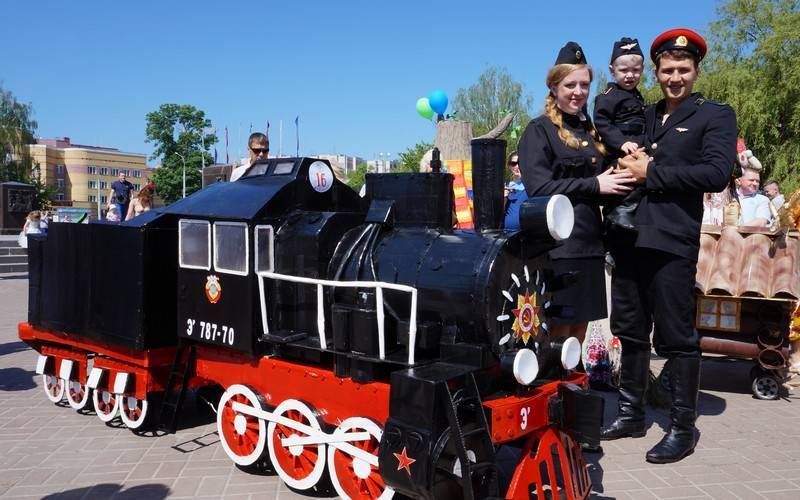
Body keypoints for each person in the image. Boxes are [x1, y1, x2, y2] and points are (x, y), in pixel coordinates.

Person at [602, 29, 737, 464]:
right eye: (667, 71)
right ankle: (631, 413)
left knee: (678, 337)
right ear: (656, 73)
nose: (675, 77)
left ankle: (683, 427)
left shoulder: (713, 115)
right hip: (629, 239)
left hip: (672, 240)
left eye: (683, 70)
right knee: (629, 329)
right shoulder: (645, 113)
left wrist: (652, 172)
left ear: (696, 71)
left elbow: (715, 173)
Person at [517, 41, 636, 343]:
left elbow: (601, 185)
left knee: (579, 332)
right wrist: (595, 184)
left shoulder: (590, 131)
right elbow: (539, 188)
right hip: (558, 248)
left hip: (590, 244)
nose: (578, 92)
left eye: (584, 85)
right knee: (557, 333)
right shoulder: (539, 130)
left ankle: (572, 386)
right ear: (554, 87)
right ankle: (551, 386)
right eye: (570, 84)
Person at [593, 37, 647, 231]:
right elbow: (602, 122)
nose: (630, 75)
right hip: (620, 151)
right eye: (623, 70)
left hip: (637, 147)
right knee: (624, 182)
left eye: (636, 70)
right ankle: (618, 213)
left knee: (639, 181)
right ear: (611, 70)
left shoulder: (637, 95)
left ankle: (630, 213)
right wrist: (621, 142)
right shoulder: (609, 96)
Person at [503, 150, 528, 229]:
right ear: (509, 166)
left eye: (520, 163)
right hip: (508, 233)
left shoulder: (531, 184)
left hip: (527, 232)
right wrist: (504, 198)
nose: (517, 166)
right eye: (513, 164)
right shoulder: (505, 185)